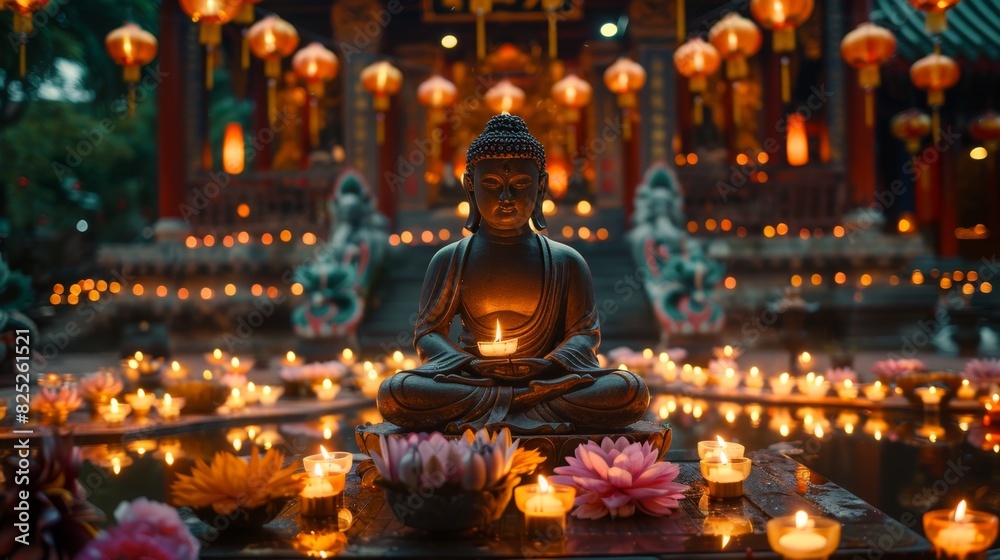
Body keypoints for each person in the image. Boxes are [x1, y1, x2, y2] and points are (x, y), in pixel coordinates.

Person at [377, 114, 649, 434]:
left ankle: (504, 414)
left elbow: (585, 336)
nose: (506, 198)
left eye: (520, 185)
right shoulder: (450, 259)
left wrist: (548, 365)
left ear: (541, 186)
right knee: (397, 392)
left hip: (547, 382)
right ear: (470, 187)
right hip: (475, 382)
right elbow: (428, 334)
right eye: (491, 185)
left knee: (628, 389)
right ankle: (530, 412)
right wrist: (469, 364)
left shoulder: (567, 261)